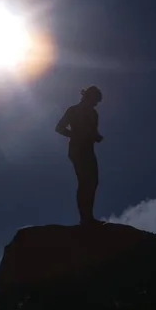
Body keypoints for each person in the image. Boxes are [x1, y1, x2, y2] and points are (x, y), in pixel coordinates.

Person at [55, 86, 103, 225]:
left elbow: (92, 132)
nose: (95, 104)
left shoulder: (94, 114)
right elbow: (59, 128)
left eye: (97, 102)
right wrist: (75, 135)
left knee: (92, 182)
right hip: (77, 150)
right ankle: (85, 218)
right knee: (84, 182)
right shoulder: (73, 110)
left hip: (88, 150)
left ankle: (89, 216)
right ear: (88, 97)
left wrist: (95, 136)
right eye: (95, 100)